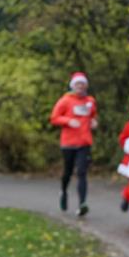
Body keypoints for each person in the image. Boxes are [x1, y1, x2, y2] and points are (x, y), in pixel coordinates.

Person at [50, 72, 98, 217]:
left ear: (86, 86)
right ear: (73, 86)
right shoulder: (65, 100)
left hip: (84, 142)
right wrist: (68, 121)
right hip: (68, 143)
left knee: (82, 172)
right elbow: (54, 118)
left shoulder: (90, 101)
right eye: (78, 84)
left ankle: (82, 203)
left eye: (83, 84)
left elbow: (93, 115)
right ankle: (63, 191)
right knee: (68, 172)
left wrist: (94, 121)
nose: (80, 87)